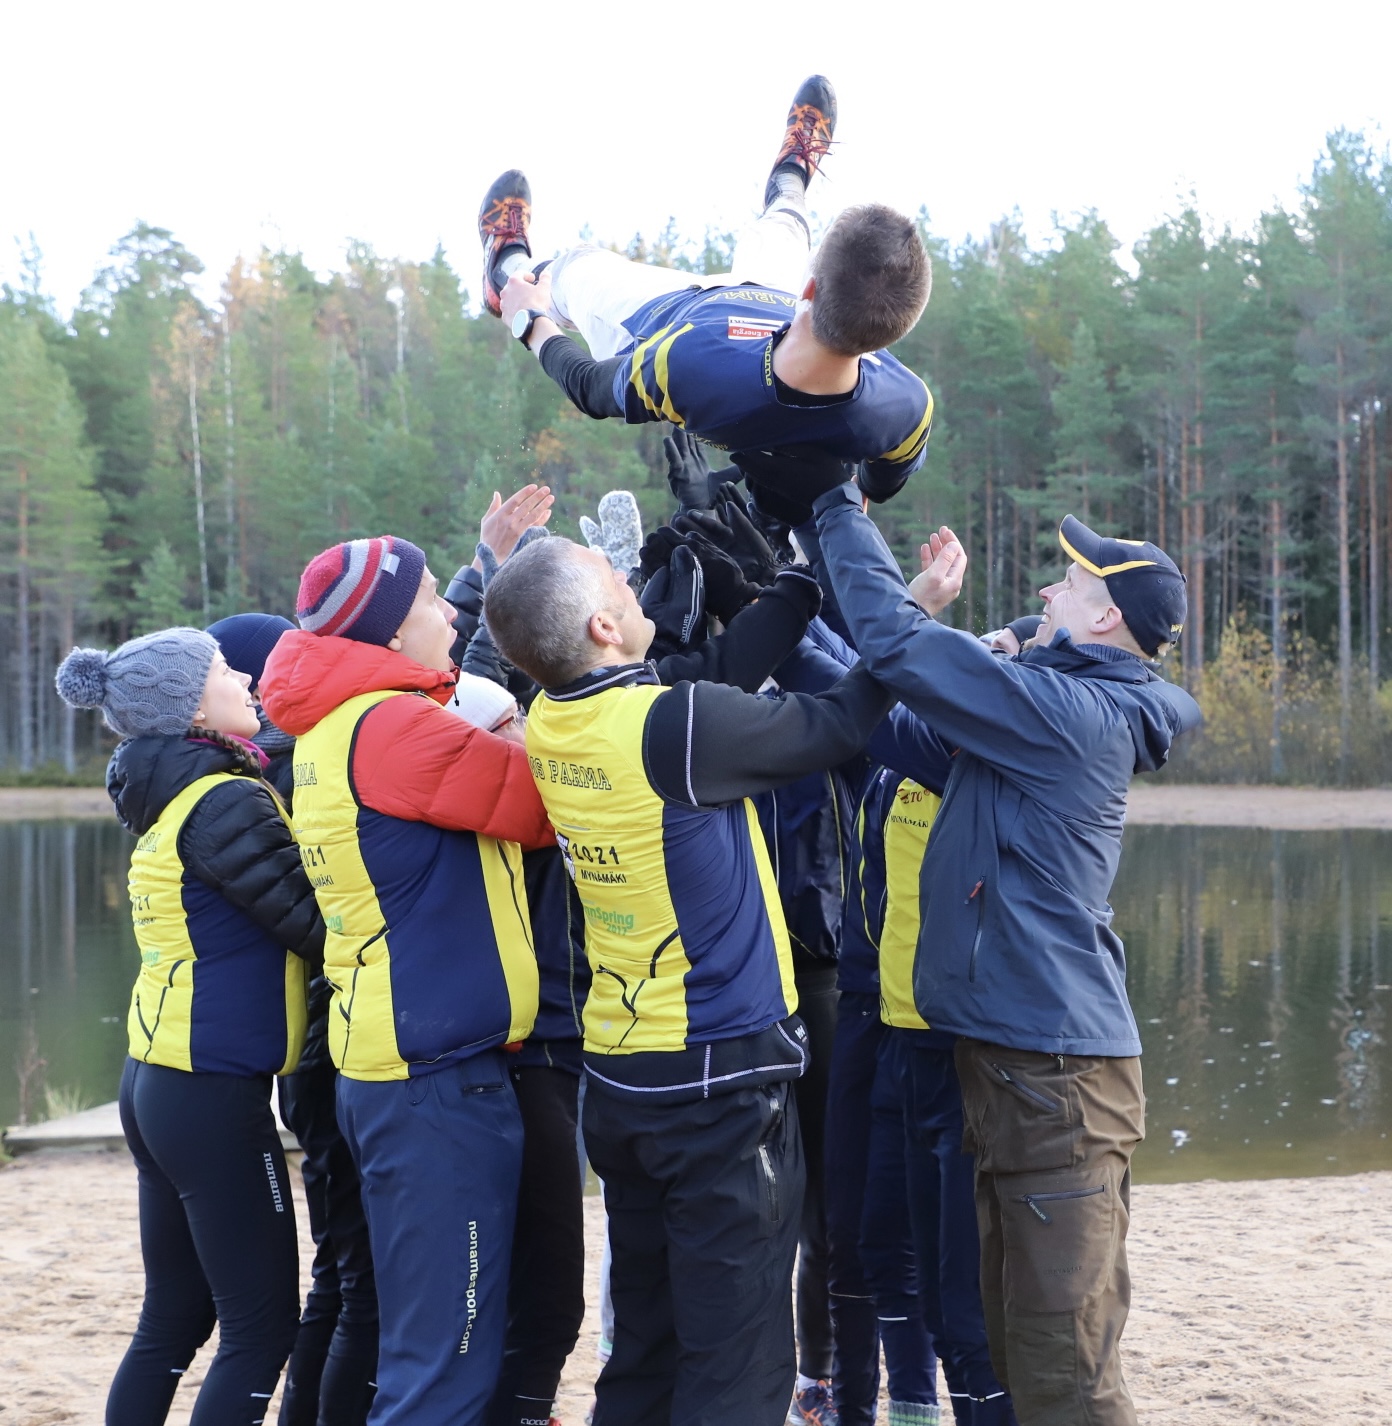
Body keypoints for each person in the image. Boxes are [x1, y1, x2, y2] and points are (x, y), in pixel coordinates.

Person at [483, 532, 894, 1426]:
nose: (635, 590)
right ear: (602, 623)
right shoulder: (672, 728)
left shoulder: (556, 715)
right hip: (720, 1080)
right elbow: (837, 724)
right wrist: (908, 623)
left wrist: (789, 589)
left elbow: (709, 679)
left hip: (627, 1078)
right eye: (619, 585)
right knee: (736, 1360)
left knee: (649, 1344)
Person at [809, 490, 1201, 1426]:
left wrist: (832, 504)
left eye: (1065, 582)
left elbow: (903, 646)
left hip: (1058, 1080)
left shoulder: (1067, 713)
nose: (1044, 588)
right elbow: (879, 707)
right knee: (1014, 1342)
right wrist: (781, 594)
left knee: (1063, 1366)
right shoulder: (1046, 716)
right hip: (1019, 1071)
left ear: (1106, 615)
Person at [258, 535, 555, 1426]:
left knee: (433, 1352)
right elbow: (546, 805)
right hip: (433, 1081)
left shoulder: (342, 724)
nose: (452, 612)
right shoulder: (389, 729)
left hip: (403, 1063)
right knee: (445, 1368)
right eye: (432, 598)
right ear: (387, 634)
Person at [55, 627, 322, 1426]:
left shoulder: (169, 789)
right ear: (186, 705)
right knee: (262, 1326)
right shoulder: (224, 802)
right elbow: (315, 926)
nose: (243, 674)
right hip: (209, 1094)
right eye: (221, 668)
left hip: (157, 1080)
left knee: (174, 1317)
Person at [480, 76, 934, 505]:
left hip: (666, 317)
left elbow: (591, 389)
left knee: (574, 271)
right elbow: (882, 480)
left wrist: (531, 321)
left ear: (809, 288)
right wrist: (846, 494)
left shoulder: (691, 366)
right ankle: (794, 166)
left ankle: (506, 269)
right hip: (771, 302)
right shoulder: (906, 405)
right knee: (783, 224)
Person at [207, 610, 381, 1426]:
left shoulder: (259, 774)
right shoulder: (284, 772)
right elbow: (322, 924)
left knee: (341, 1275)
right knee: (358, 1282)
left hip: (311, 1053)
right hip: (330, 1047)